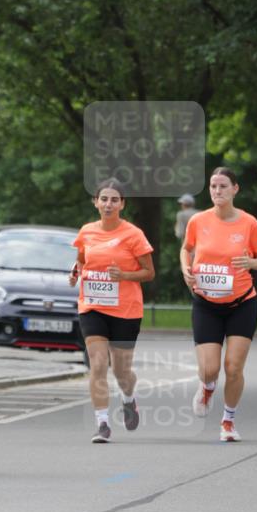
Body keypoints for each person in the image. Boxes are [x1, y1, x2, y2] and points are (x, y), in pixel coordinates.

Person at [180, 167, 257, 442]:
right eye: (213, 186)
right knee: (210, 369)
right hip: (206, 304)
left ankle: (228, 421)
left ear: (235, 189)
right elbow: (186, 248)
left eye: (223, 186)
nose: (217, 191)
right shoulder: (198, 220)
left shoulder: (249, 223)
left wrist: (252, 263)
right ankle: (207, 387)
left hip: (242, 303)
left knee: (233, 367)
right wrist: (185, 268)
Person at [69, 179, 155, 443]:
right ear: (96, 202)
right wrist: (75, 273)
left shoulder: (133, 234)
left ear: (122, 204)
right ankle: (102, 424)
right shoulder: (86, 232)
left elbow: (149, 273)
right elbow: (82, 261)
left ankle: (129, 400)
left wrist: (125, 275)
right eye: (104, 199)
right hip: (93, 306)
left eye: (114, 200)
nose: (108, 204)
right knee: (97, 364)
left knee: (121, 371)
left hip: (126, 310)